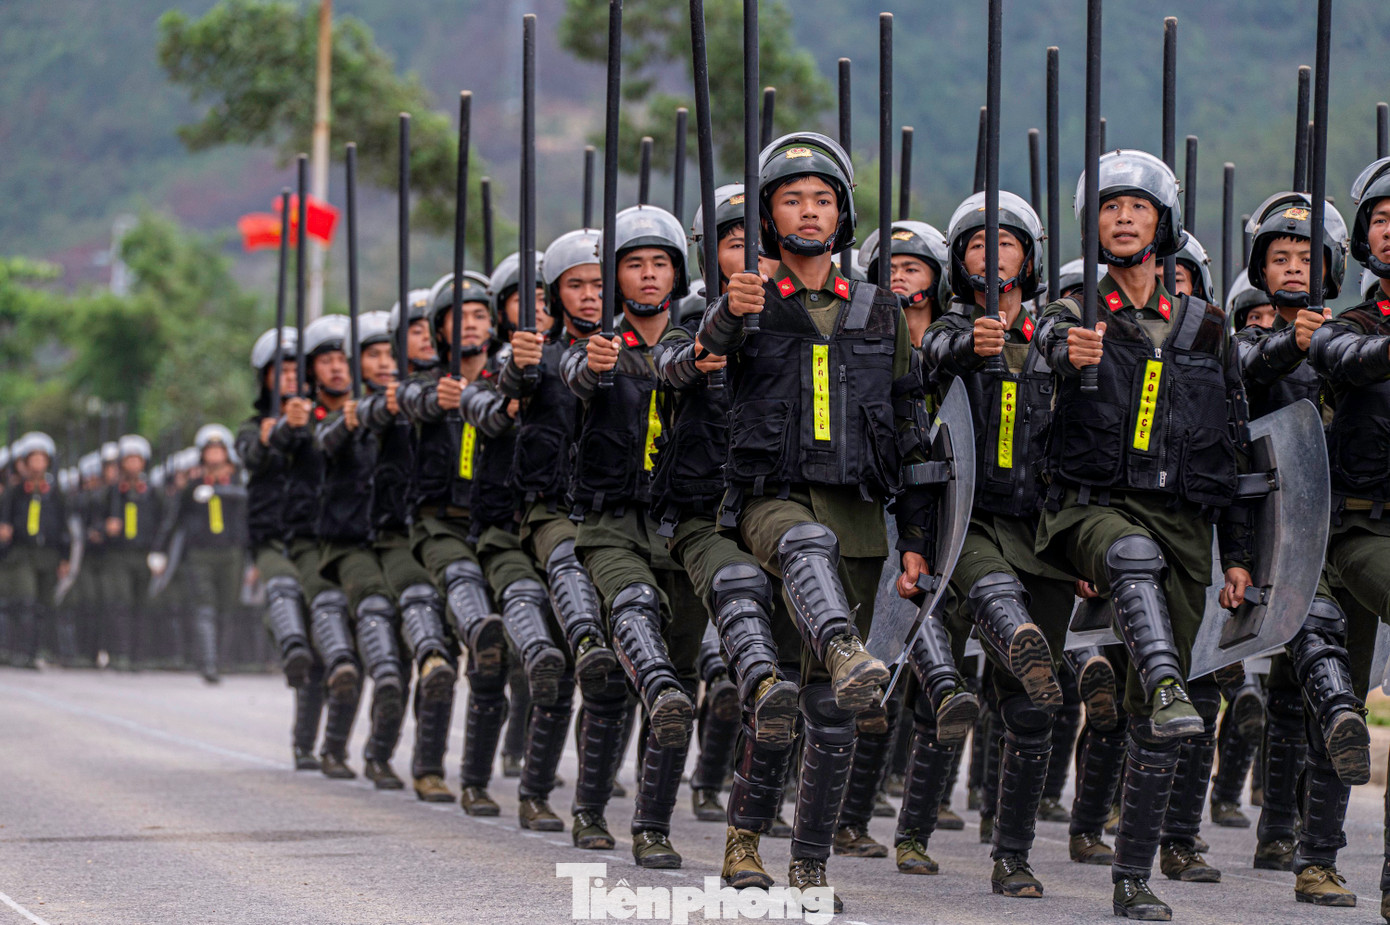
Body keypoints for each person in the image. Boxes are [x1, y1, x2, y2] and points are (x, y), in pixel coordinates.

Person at [698, 132, 942, 911]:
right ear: (769, 216)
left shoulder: (880, 310)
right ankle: (743, 840)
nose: (809, 210)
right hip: (772, 504)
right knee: (778, 681)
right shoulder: (744, 300)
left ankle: (807, 868)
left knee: (834, 713)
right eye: (792, 198)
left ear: (843, 215)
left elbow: (910, 434)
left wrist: (915, 540)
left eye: (823, 198)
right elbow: (698, 361)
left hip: (863, 517)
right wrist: (727, 319)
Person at [1036, 149, 1246, 920]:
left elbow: (1236, 440)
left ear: (1163, 224)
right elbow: (1041, 354)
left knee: (1170, 713)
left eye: (1139, 208)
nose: (1123, 219)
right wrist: (1066, 354)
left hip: (1185, 519)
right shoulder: (1071, 309)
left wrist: (1243, 556)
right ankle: (1155, 677)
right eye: (1109, 207)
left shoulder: (1206, 327)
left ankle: (1132, 876)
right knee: (1131, 555)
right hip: (1092, 507)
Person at [920, 188, 1069, 896]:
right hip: (967, 522)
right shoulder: (947, 330)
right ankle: (914, 824)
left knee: (1031, 707)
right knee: (994, 595)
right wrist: (960, 346)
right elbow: (926, 361)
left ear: (1029, 257)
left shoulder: (1057, 336)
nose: (990, 254)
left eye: (1004, 243)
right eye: (977, 244)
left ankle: (1012, 853)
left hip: (1040, 527)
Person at [654, 183, 799, 888]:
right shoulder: (689, 317)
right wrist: (718, 334)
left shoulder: (806, 316)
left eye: (757, 239)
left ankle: (761, 835)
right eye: (732, 242)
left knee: (793, 695)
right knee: (738, 647)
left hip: (782, 511)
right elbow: (673, 362)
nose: (747, 253)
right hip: (703, 515)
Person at [563, 203, 708, 869]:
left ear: (677, 273)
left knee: (677, 687)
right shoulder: (595, 346)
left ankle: (652, 825)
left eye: (660, 264)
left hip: (681, 524)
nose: (648, 277)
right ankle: (589, 807)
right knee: (632, 619)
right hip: (612, 523)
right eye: (634, 265)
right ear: (614, 277)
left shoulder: (698, 343)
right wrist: (594, 363)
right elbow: (577, 376)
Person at [503, 227, 627, 849]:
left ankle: (591, 810)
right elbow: (514, 388)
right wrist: (521, 363)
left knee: (612, 684)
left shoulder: (637, 348)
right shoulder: (539, 353)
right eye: (575, 284)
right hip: (553, 512)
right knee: (559, 665)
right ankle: (532, 794)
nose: (588, 295)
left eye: (598, 283)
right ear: (554, 294)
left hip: (617, 514)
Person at [1307, 156, 1390, 917]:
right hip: (1356, 533)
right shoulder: (1346, 327)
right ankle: (1315, 856)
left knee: (1345, 712)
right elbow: (1354, 364)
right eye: (1383, 218)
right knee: (1339, 692)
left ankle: (1324, 862)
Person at [152, 425, 247, 684]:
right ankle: (208, 663)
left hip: (232, 552)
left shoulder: (239, 482)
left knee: (228, 608)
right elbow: (173, 518)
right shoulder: (192, 484)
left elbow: (250, 517)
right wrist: (160, 550)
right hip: (200, 553)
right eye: (210, 450)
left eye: (219, 450)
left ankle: (222, 660)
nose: (215, 455)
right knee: (205, 608)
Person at [0, 432, 70, 668]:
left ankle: (34, 652)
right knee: (24, 601)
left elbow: (64, 527)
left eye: (42, 458)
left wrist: (65, 556)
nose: (38, 463)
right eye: (34, 458)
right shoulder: (14, 492)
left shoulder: (55, 493)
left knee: (43, 605)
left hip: (48, 554)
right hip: (22, 554)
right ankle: (17, 650)